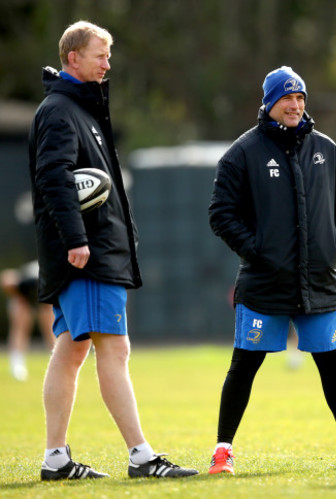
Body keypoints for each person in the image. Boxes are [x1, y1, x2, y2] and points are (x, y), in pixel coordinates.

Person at [29, 21, 198, 480]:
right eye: (99, 55)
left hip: (97, 251)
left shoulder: (82, 109)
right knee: (114, 349)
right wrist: (77, 239)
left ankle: (56, 459)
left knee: (72, 351)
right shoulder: (61, 111)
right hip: (87, 256)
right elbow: (55, 178)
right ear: (72, 58)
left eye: (108, 55)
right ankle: (141, 456)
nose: (108, 63)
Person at [207, 66, 336, 475]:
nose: (295, 106)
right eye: (286, 99)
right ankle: (222, 451)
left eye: (300, 99)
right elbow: (220, 214)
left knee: (333, 366)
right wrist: (256, 250)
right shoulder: (243, 152)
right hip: (264, 282)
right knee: (244, 365)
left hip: (319, 282)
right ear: (270, 103)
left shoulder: (327, 149)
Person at [2, 261, 54, 381]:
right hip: (23, 299)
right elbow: (6, 278)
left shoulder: (49, 280)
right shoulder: (21, 281)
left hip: (45, 299)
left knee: (51, 330)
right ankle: (17, 365)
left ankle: (57, 363)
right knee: (19, 329)